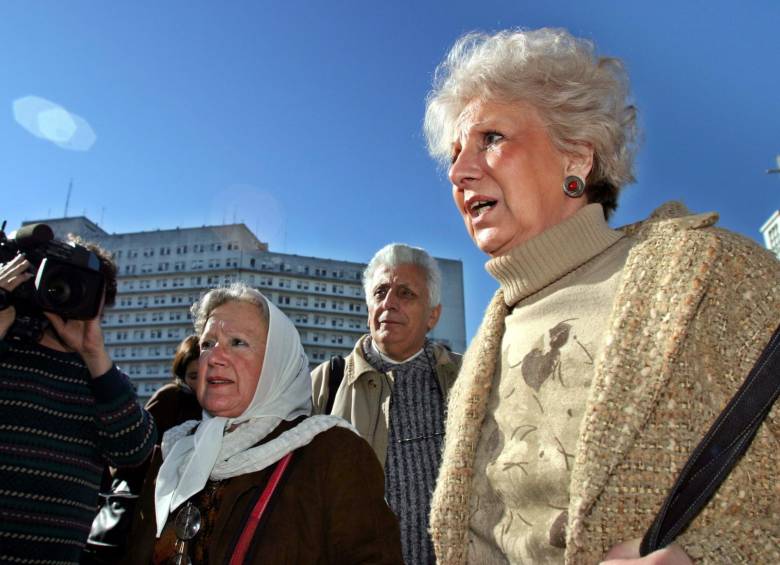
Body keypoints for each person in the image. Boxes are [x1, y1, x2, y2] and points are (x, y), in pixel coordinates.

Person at [422, 28, 780, 565]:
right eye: (454, 155)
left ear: (577, 158)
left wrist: (707, 557)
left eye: (491, 138)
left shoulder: (716, 276)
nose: (459, 172)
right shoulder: (484, 342)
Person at [125, 282, 402, 564]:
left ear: (276, 363)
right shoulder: (174, 452)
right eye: (207, 344)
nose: (214, 357)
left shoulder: (332, 452)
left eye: (237, 342)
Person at [0, 243, 156, 565]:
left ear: (102, 303)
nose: (68, 294)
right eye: (59, 281)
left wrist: (94, 354)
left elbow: (135, 452)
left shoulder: (105, 381)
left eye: (83, 286)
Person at [312, 243, 462, 565]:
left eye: (406, 293)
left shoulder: (470, 377)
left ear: (433, 315)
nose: (389, 303)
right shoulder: (324, 384)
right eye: (380, 292)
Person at [144, 334, 203, 437]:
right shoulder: (169, 397)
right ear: (182, 376)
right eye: (194, 377)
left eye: (209, 374)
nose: (202, 382)